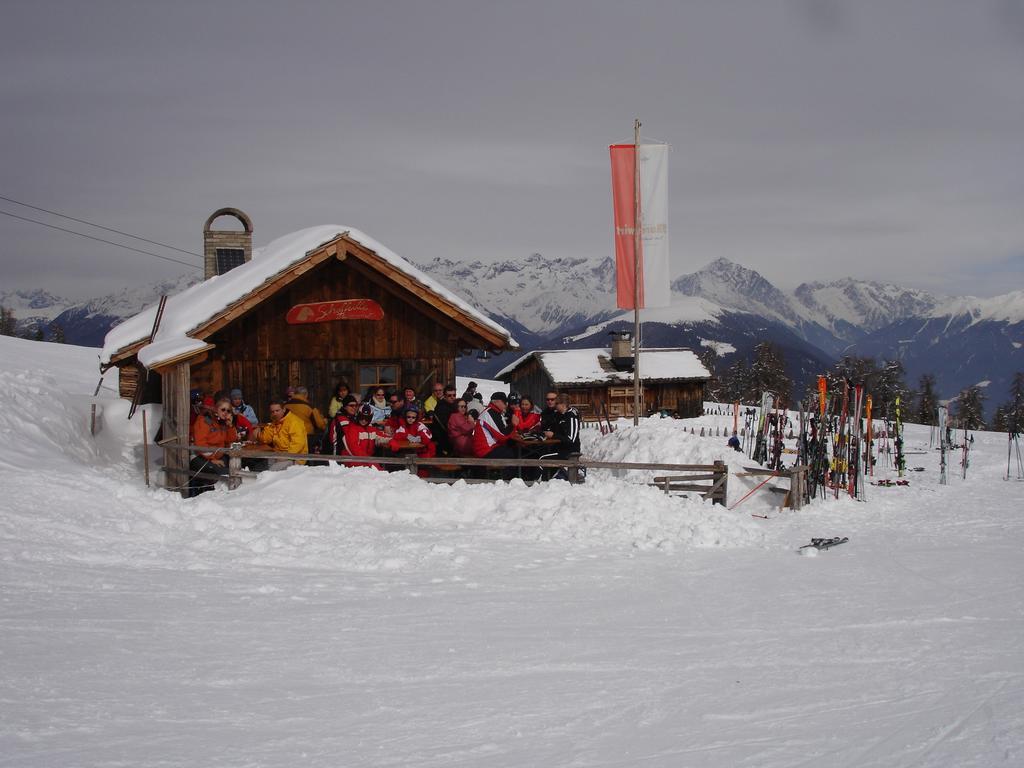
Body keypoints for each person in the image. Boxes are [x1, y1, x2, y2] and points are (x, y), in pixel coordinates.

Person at [189, 397, 238, 496]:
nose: (226, 413)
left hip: (217, 457)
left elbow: (230, 442)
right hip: (200, 457)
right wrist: (212, 459)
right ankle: (216, 496)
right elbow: (200, 444)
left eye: (228, 411)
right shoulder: (203, 421)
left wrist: (230, 426)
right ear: (216, 409)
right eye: (223, 409)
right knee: (223, 473)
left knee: (235, 469)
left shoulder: (223, 424)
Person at [254, 399, 307, 470]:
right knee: (259, 467)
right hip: (278, 455)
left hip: (295, 458)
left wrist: (284, 457)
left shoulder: (294, 422)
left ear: (284, 409)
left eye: (277, 410)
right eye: (272, 412)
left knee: (271, 471)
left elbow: (298, 444)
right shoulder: (275, 422)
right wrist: (258, 434)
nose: (275, 413)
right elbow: (266, 439)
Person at [472, 393, 516, 477]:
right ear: (497, 402)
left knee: (512, 447)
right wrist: (513, 425)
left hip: (488, 448)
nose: (506, 405)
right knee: (511, 453)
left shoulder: (494, 412)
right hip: (485, 450)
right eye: (504, 402)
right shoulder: (490, 413)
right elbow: (502, 436)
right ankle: (509, 480)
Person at [543, 394, 582, 480]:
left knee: (543, 458)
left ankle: (560, 476)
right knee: (541, 453)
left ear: (563, 405)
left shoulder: (571, 416)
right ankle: (553, 477)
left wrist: (553, 435)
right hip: (559, 447)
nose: (554, 405)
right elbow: (550, 426)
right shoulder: (558, 414)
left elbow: (571, 439)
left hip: (570, 450)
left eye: (556, 403)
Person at [339, 404, 388, 469]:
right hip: (352, 461)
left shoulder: (371, 429)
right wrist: (370, 461)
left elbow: (383, 437)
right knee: (377, 470)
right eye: (362, 417)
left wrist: (391, 441)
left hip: (365, 460)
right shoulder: (352, 428)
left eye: (367, 418)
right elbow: (354, 449)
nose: (364, 420)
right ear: (358, 416)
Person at [390, 406, 435, 476]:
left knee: (422, 471)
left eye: (413, 417)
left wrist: (418, 438)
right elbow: (396, 436)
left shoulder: (420, 425)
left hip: (423, 453)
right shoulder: (403, 426)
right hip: (409, 451)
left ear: (416, 418)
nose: (411, 419)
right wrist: (408, 436)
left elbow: (427, 437)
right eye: (409, 417)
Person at [285, 386, 327, 451]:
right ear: (306, 394)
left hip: (287, 435)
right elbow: (321, 425)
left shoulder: (285, 406)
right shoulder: (309, 407)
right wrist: (325, 421)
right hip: (307, 437)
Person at [430, 384, 458, 455]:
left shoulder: (454, 405)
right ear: (445, 396)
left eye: (454, 395)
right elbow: (446, 425)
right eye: (449, 395)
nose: (452, 397)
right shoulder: (441, 407)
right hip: (443, 439)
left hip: (451, 436)